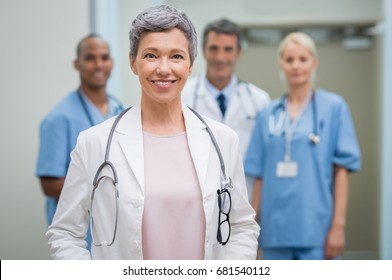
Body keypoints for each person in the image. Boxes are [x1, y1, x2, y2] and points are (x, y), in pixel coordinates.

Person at [46, 5, 259, 260]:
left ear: (191, 65)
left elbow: (242, 227)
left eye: (177, 56)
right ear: (132, 63)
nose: (164, 68)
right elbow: (65, 232)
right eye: (151, 55)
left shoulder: (223, 140)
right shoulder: (94, 142)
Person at [245, 32, 361, 260]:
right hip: (274, 230)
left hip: (316, 229)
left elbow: (342, 171)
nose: (296, 65)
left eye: (302, 59)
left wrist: (338, 227)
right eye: (289, 60)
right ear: (281, 64)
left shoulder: (334, 108)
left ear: (314, 62)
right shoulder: (268, 113)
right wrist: (252, 230)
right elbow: (260, 176)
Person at [36, 34, 124, 249]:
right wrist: (105, 196)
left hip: (116, 231)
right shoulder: (58, 118)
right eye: (90, 58)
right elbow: (50, 185)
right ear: (77, 64)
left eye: (104, 57)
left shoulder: (119, 110)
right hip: (80, 235)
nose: (98, 65)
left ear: (111, 62)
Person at [182, 19, 270, 199]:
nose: (220, 57)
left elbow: (264, 161)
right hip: (195, 196)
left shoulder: (259, 101)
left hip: (244, 196)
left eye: (228, 49)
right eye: (214, 48)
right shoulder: (183, 96)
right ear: (203, 51)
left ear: (239, 53)